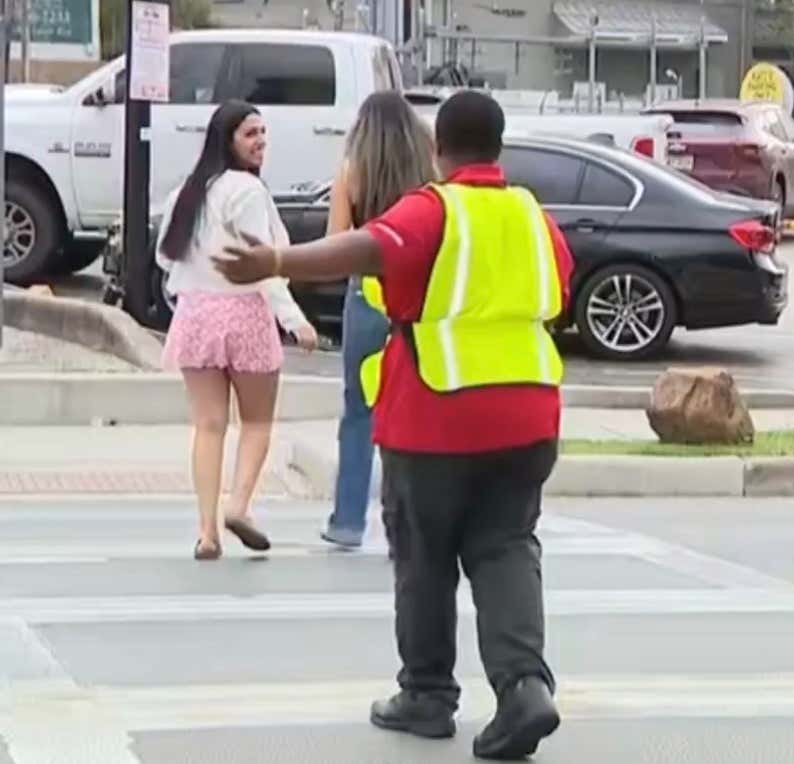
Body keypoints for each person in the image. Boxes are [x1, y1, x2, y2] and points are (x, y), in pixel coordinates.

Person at [215, 90, 573, 760]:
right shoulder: (531, 216)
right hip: (528, 417)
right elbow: (561, 285)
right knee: (507, 548)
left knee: (425, 558)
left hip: (437, 417)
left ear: (440, 149)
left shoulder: (435, 208)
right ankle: (525, 686)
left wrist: (278, 263)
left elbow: (365, 246)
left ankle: (428, 695)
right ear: (499, 150)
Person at [156, 99, 318, 561]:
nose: (260, 141)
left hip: (195, 314)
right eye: (250, 133)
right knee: (258, 421)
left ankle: (207, 532)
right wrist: (295, 319)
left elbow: (166, 255)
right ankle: (239, 505)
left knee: (207, 427)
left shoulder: (187, 191)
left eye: (263, 132)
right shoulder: (246, 192)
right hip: (244, 311)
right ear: (228, 139)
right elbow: (262, 264)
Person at [320, 92, 439, 550]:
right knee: (419, 404)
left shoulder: (353, 172)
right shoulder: (428, 174)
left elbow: (336, 242)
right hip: (422, 295)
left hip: (367, 295)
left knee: (359, 409)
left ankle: (348, 520)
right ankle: (411, 522)